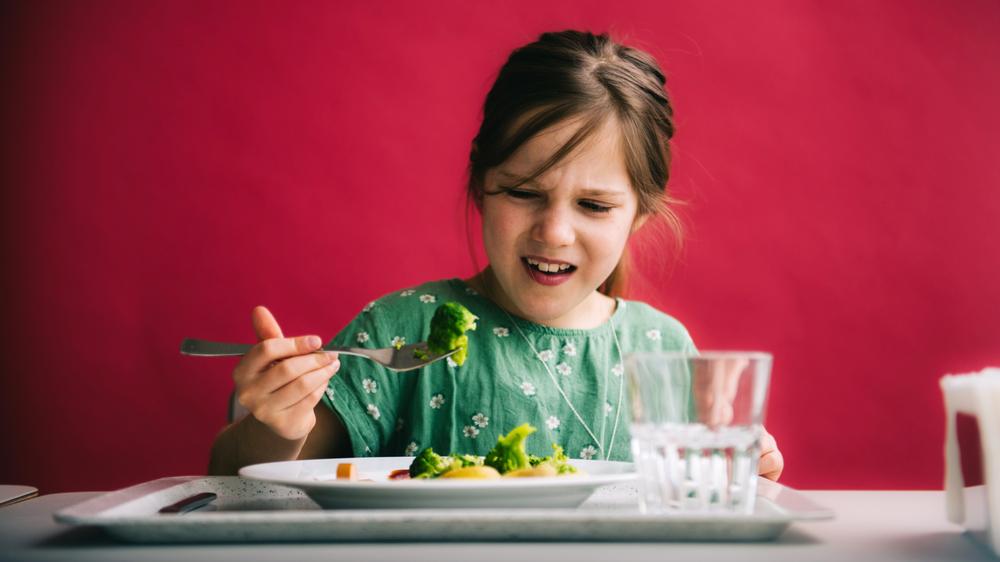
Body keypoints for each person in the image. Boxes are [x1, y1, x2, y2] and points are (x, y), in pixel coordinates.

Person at [208, 30, 784, 480]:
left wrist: (746, 467)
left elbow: (697, 496)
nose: (554, 232)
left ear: (641, 212)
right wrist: (274, 425)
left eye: (594, 205)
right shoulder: (404, 331)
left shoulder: (663, 352)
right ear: (481, 184)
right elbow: (241, 477)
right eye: (524, 192)